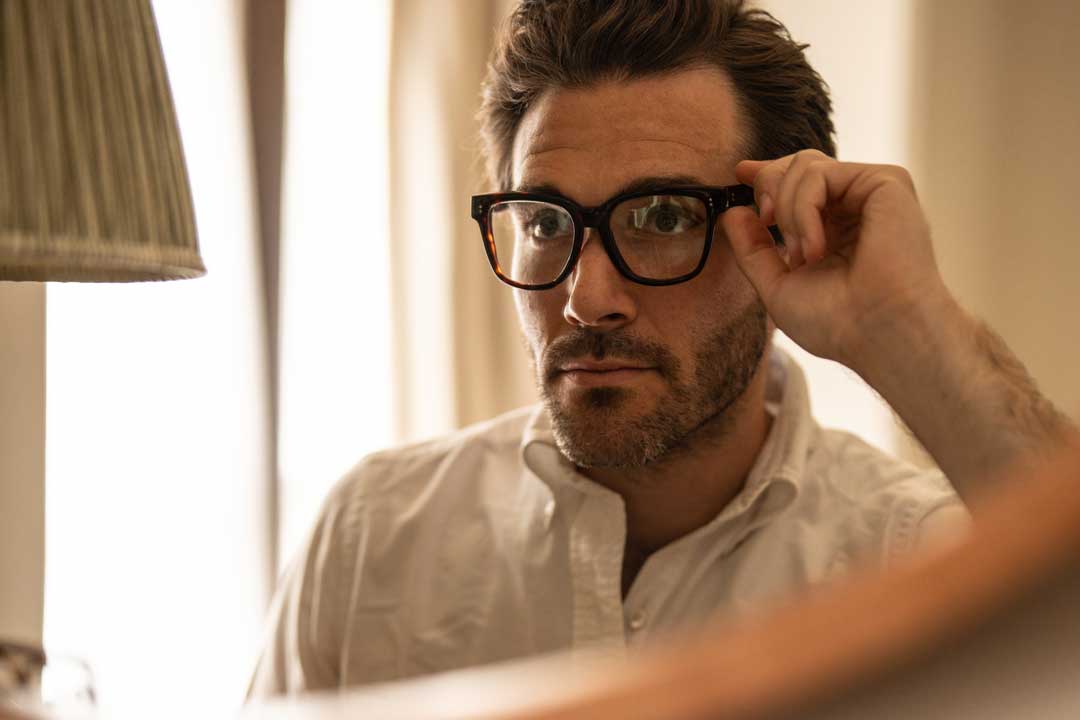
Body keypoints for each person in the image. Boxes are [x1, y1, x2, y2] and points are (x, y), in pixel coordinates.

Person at [246, 0, 1073, 697]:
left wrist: (907, 326)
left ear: (785, 235)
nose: (586, 299)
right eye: (544, 222)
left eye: (664, 217)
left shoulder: (913, 557)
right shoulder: (374, 538)